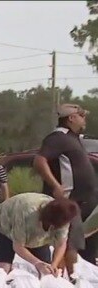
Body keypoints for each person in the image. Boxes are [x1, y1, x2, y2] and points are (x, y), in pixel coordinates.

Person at [33, 104, 98, 274]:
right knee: (69, 241)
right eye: (81, 116)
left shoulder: (73, 138)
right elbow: (40, 161)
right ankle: (70, 278)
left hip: (83, 201)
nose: (85, 119)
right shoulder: (57, 137)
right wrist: (55, 185)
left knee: (81, 241)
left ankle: (77, 277)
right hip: (68, 201)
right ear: (71, 118)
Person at [0, 193, 78, 276]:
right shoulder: (27, 213)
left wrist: (54, 265)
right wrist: (37, 263)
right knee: (4, 267)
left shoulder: (64, 218)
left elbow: (61, 244)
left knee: (47, 269)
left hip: (36, 236)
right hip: (4, 223)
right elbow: (18, 246)